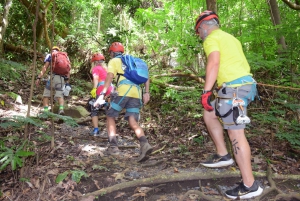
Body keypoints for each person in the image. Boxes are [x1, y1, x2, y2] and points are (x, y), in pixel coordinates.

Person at [195, 11, 263, 199]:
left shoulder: (211, 39)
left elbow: (214, 63)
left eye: (198, 32)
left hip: (234, 89)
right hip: (241, 87)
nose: (199, 36)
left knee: (235, 133)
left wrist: (206, 91)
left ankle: (250, 185)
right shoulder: (230, 38)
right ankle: (223, 155)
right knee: (210, 112)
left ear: (203, 27)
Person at [94, 42, 153, 162]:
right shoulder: (133, 62)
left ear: (111, 53)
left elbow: (109, 77)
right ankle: (144, 144)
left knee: (110, 116)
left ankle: (113, 147)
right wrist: (146, 93)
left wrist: (102, 95)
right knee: (133, 120)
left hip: (123, 92)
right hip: (137, 93)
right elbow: (147, 78)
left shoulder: (114, 61)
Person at [35, 46, 71, 115]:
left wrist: (39, 77)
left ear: (52, 50)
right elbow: (68, 69)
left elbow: (45, 67)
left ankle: (46, 111)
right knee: (60, 95)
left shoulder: (50, 55)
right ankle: (61, 109)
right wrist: (67, 81)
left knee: (46, 94)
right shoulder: (65, 56)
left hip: (52, 78)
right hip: (61, 79)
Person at [89, 53, 114, 136]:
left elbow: (96, 79)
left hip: (101, 88)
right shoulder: (107, 69)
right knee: (108, 110)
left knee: (94, 109)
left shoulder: (96, 68)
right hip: (110, 88)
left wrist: (94, 89)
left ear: (94, 62)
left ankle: (96, 130)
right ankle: (110, 132)